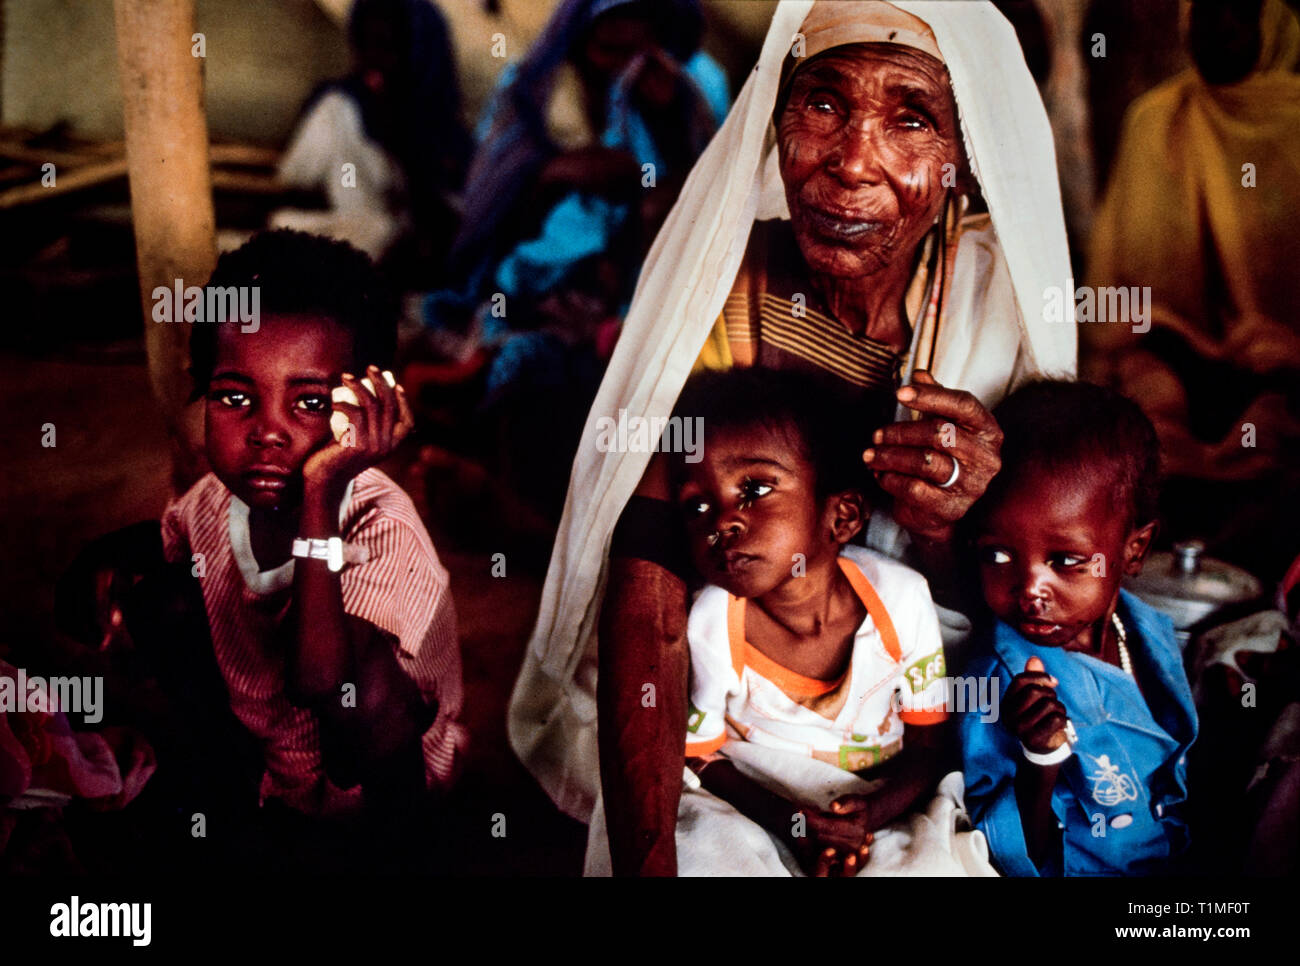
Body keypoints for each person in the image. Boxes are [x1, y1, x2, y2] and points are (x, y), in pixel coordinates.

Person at [507, 0, 1077, 876]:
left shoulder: (992, 307)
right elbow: (652, 598)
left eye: (911, 119)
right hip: (721, 717)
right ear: (776, 121)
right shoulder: (721, 284)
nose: (852, 162)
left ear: (962, 158)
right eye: (822, 105)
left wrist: (949, 523)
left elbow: (1043, 598)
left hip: (916, 722)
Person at [616, 368, 990, 877]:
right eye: (697, 505)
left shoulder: (901, 601)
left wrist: (868, 819)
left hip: (880, 805)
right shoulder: (708, 622)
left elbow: (929, 748)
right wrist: (791, 821)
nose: (721, 520)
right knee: (703, 845)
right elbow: (701, 757)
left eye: (754, 488)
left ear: (841, 517)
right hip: (758, 800)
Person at [161, 231, 465, 844]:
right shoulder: (212, 502)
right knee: (162, 597)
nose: (266, 432)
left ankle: (403, 853)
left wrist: (323, 490)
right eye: (235, 397)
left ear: (369, 405)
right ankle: (239, 789)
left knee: (365, 688)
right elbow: (166, 541)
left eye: (308, 403)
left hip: (375, 784)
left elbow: (323, 682)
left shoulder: (384, 526)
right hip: (275, 762)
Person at [1083, 0, 1300, 577]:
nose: (1220, 27)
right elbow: (1120, 286)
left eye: (1240, 13)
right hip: (1174, 343)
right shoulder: (1158, 117)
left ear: (1276, 24)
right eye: (1205, 12)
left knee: (1272, 434)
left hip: (1285, 362)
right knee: (1150, 422)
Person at [959, 380, 1196, 876]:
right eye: (998, 555)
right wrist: (1040, 759)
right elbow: (1008, 854)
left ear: (1134, 550)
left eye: (1066, 561)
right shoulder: (996, 681)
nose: (1030, 590)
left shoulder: (1148, 632)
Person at [274, 0, 470, 269]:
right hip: (349, 239)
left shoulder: (437, 122)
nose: (373, 60)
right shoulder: (339, 106)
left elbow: (453, 211)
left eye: (388, 48)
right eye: (365, 46)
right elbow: (295, 178)